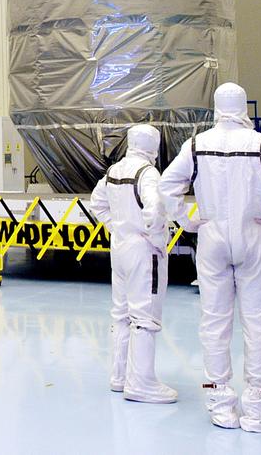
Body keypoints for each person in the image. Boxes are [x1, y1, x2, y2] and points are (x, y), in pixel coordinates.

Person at [159, 82, 261, 432]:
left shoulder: (196, 144)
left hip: (211, 235)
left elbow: (167, 185)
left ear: (216, 107)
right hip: (254, 234)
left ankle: (220, 405)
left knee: (214, 320)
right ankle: (257, 409)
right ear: (244, 108)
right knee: (258, 321)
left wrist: (186, 218)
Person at [89, 124, 177, 404]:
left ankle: (120, 375)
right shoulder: (148, 174)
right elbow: (155, 208)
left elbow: (97, 203)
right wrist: (154, 236)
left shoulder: (114, 171)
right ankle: (142, 383)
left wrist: (116, 226)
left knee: (121, 313)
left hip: (120, 247)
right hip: (143, 251)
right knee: (145, 316)